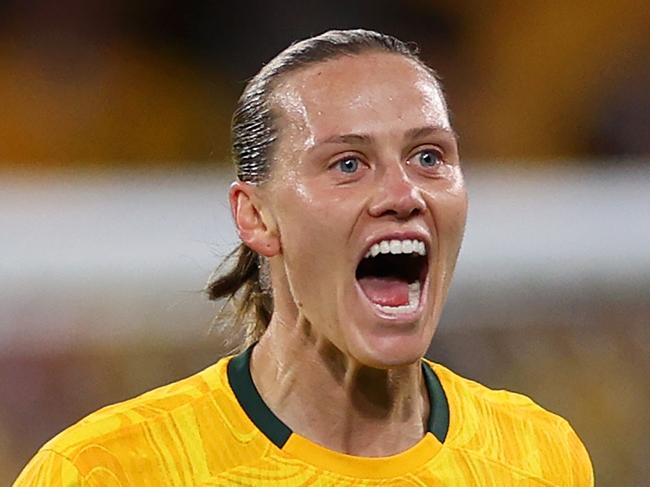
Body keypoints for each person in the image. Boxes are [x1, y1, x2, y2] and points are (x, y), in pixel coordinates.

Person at [14, 29, 593, 486]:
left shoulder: (540, 456)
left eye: (427, 156)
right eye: (348, 164)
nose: (403, 195)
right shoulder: (106, 471)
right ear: (256, 217)